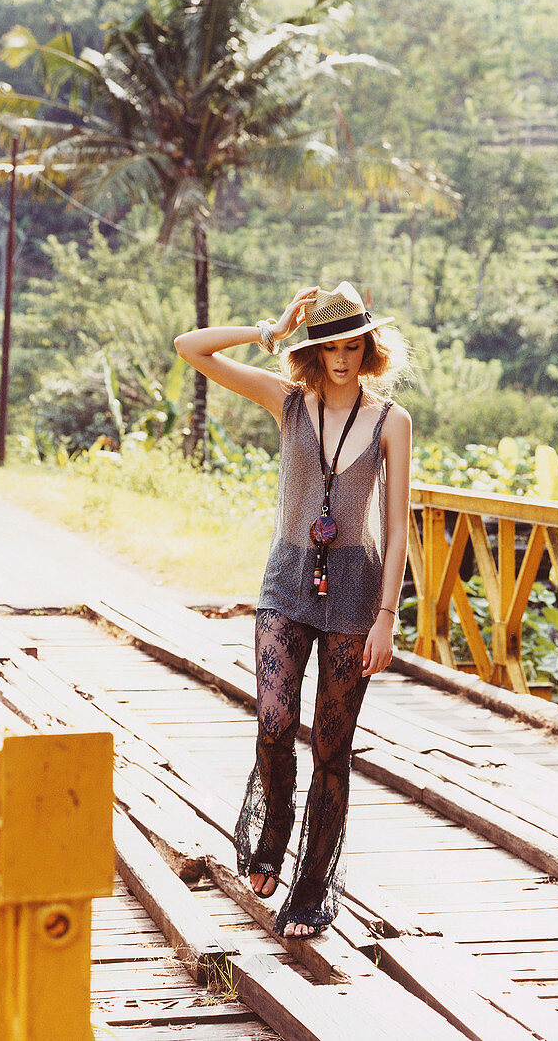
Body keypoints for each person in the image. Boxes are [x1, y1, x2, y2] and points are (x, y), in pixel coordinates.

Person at [174, 282, 412, 938]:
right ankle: (272, 830)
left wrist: (387, 615)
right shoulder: (287, 402)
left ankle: (310, 893)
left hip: (356, 590)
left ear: (369, 347)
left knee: (331, 748)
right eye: (329, 345)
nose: (341, 357)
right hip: (286, 578)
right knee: (275, 720)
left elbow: (397, 526)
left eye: (353, 344)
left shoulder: (391, 420)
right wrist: (266, 332)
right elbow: (189, 348)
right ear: (313, 350)